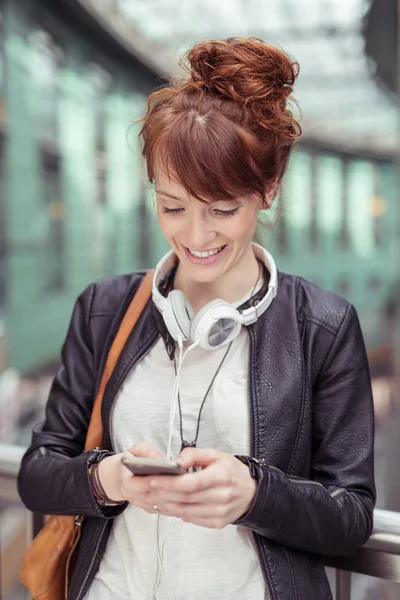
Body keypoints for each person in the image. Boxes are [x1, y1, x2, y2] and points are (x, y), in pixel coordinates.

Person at [18, 37, 375, 600]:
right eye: (173, 206)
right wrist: (106, 478)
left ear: (268, 190)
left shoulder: (323, 328)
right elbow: (39, 471)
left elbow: (350, 513)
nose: (196, 235)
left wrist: (255, 494)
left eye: (223, 209)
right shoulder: (105, 309)